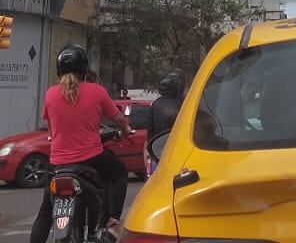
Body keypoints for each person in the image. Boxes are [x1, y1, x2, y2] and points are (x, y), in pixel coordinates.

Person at [29, 45, 130, 243]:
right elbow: (118, 118)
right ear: (84, 69)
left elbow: (50, 127)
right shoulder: (97, 92)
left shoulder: (51, 94)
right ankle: (112, 220)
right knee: (119, 173)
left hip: (58, 164)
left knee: (45, 212)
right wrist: (125, 130)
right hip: (91, 160)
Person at [144, 70, 183, 173]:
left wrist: (151, 148)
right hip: (177, 150)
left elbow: (150, 131)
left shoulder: (155, 104)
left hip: (159, 151)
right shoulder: (182, 104)